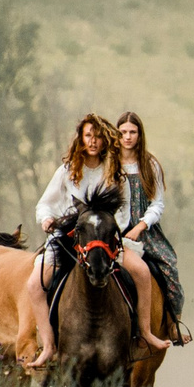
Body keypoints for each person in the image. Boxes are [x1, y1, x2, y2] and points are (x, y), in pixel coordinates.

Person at [19, 114, 171, 369]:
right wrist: (46, 219)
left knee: (143, 273)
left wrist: (108, 231)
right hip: (68, 240)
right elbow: (44, 204)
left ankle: (144, 333)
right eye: (88, 135)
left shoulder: (114, 171)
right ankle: (48, 345)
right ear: (81, 138)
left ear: (105, 141)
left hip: (104, 241)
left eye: (98, 137)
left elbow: (122, 213)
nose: (93, 141)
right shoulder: (67, 170)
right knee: (35, 285)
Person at [113, 110, 191, 345]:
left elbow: (157, 203)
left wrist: (141, 226)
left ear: (139, 134)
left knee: (169, 265)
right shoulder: (110, 163)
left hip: (145, 231)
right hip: (114, 229)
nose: (128, 137)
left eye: (132, 132)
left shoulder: (149, 164)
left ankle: (173, 323)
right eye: (123, 132)